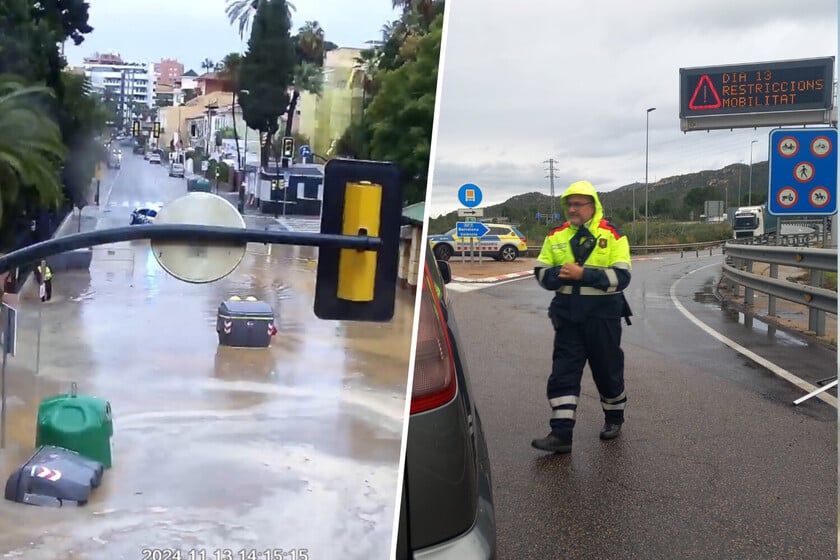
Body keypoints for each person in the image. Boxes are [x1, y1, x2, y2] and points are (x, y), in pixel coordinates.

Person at [531, 180, 632, 454]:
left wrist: (583, 275)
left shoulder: (612, 235)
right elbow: (541, 272)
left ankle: (614, 418)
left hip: (603, 319)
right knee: (563, 374)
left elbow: (622, 277)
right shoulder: (556, 236)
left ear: (593, 206)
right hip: (567, 319)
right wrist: (557, 275)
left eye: (578, 204)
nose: (572, 209)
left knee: (608, 372)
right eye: (569, 204)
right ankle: (561, 434)